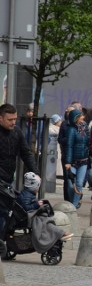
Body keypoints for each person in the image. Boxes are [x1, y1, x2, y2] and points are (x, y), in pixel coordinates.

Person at [0, 104, 39, 253]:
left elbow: (26, 153)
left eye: (15, 119)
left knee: (8, 211)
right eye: (10, 119)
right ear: (1, 118)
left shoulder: (17, 132)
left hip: (7, 180)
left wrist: (35, 172)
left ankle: (4, 243)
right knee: (3, 211)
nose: (13, 122)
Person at [64, 108, 91, 209]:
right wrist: (68, 162)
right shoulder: (71, 130)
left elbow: (88, 142)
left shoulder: (85, 128)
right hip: (73, 162)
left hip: (83, 161)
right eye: (80, 117)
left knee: (79, 183)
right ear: (75, 118)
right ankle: (72, 201)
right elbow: (69, 146)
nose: (83, 118)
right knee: (71, 185)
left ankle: (74, 206)